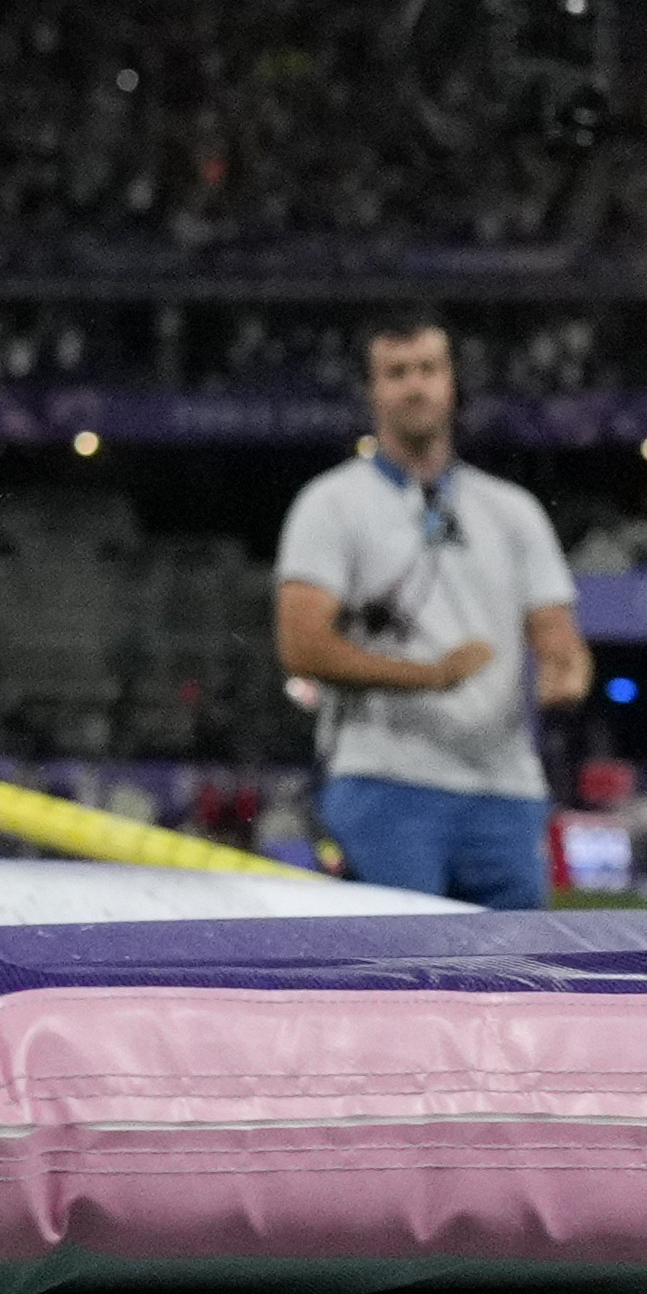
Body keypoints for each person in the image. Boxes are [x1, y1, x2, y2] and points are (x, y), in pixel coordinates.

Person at [272, 309, 587, 909]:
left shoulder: (513, 510)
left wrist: (566, 670)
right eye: (397, 373)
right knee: (395, 965)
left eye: (428, 369)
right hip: (385, 780)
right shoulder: (331, 504)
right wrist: (430, 676)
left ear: (452, 382)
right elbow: (301, 646)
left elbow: (558, 634)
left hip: (505, 786)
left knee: (520, 964)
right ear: (373, 391)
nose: (415, 385)